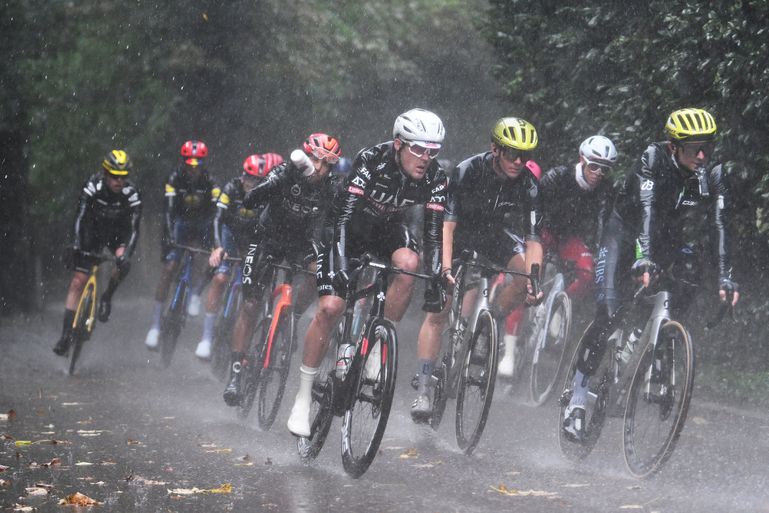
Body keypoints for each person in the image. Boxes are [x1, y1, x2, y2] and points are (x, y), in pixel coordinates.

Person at [562, 108, 740, 441]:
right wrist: (642, 258)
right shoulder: (653, 158)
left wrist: (726, 277)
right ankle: (577, 399)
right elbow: (645, 212)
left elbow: (720, 224)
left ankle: (653, 342)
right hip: (625, 233)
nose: (702, 156)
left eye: (708, 148)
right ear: (674, 146)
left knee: (688, 277)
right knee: (609, 312)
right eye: (693, 148)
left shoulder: (712, 172)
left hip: (666, 239)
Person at [285, 108, 449, 437]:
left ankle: (376, 344)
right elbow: (344, 216)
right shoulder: (371, 159)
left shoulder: (435, 178)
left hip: (387, 230)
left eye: (433, 151)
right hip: (348, 227)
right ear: (399, 144)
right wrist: (343, 262)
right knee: (331, 308)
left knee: (409, 264)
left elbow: (432, 235)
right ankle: (302, 398)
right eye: (418, 149)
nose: (425, 158)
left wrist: (435, 278)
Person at [411, 117, 544, 421]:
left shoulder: (529, 183)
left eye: (525, 155)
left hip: (495, 234)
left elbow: (533, 238)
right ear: (495, 149)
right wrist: (445, 268)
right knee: (440, 310)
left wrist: (534, 279)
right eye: (512, 153)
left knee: (523, 276)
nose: (519, 161)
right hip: (459, 233)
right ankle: (424, 387)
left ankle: (491, 320)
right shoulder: (468, 169)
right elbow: (448, 224)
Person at [222, 135, 342, 406]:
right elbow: (250, 201)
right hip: (267, 239)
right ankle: (236, 371)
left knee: (317, 271)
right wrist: (281, 177)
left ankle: (293, 317)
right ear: (305, 156)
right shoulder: (285, 172)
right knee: (251, 304)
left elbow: (336, 223)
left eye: (327, 164)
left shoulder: (331, 187)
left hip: (302, 245)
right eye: (315, 160)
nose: (319, 168)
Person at [497, 135, 617, 377]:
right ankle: (508, 353)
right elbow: (534, 209)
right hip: (543, 232)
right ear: (582, 160)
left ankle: (558, 310)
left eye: (604, 169)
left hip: (569, 238)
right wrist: (534, 240)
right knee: (529, 282)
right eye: (593, 165)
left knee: (587, 272)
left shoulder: (604, 190)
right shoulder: (558, 177)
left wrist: (598, 248)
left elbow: (604, 224)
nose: (598, 172)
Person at [193, 153, 284, 359]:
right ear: (243, 176)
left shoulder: (267, 196)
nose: (251, 183)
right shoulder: (231, 188)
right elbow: (218, 218)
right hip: (230, 235)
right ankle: (206, 338)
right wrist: (217, 247)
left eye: (257, 180)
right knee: (221, 277)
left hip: (251, 240)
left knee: (249, 288)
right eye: (248, 178)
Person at [53, 150, 142, 355]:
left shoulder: (133, 194)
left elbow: (134, 228)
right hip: (92, 231)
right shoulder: (93, 186)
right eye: (114, 176)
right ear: (105, 173)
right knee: (78, 281)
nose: (119, 181)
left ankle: (107, 296)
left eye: (123, 177)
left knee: (123, 261)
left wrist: (125, 254)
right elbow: (80, 216)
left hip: (118, 234)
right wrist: (76, 243)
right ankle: (65, 335)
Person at [145, 140, 220, 349]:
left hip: (203, 223)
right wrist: (169, 237)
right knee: (169, 268)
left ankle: (195, 292)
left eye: (197, 165)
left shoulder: (211, 181)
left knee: (203, 260)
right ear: (183, 163)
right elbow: (168, 211)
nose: (193, 168)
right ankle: (155, 326)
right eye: (189, 164)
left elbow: (216, 212)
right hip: (180, 223)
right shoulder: (174, 178)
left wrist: (213, 243)